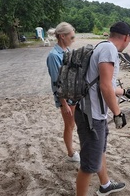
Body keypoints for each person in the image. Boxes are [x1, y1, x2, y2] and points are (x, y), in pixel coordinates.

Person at [74, 21, 130, 196]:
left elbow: (102, 83)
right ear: (126, 37)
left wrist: (124, 92)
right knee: (88, 166)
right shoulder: (110, 50)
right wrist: (118, 113)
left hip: (90, 111)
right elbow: (105, 87)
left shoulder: (102, 46)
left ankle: (105, 185)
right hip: (91, 115)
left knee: (100, 151)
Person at [46, 22, 80, 162]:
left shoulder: (66, 51)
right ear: (62, 36)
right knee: (70, 125)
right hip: (65, 97)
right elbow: (56, 82)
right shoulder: (54, 56)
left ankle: (73, 150)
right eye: (71, 38)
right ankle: (71, 153)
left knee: (75, 123)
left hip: (73, 93)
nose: (73, 40)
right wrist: (63, 104)